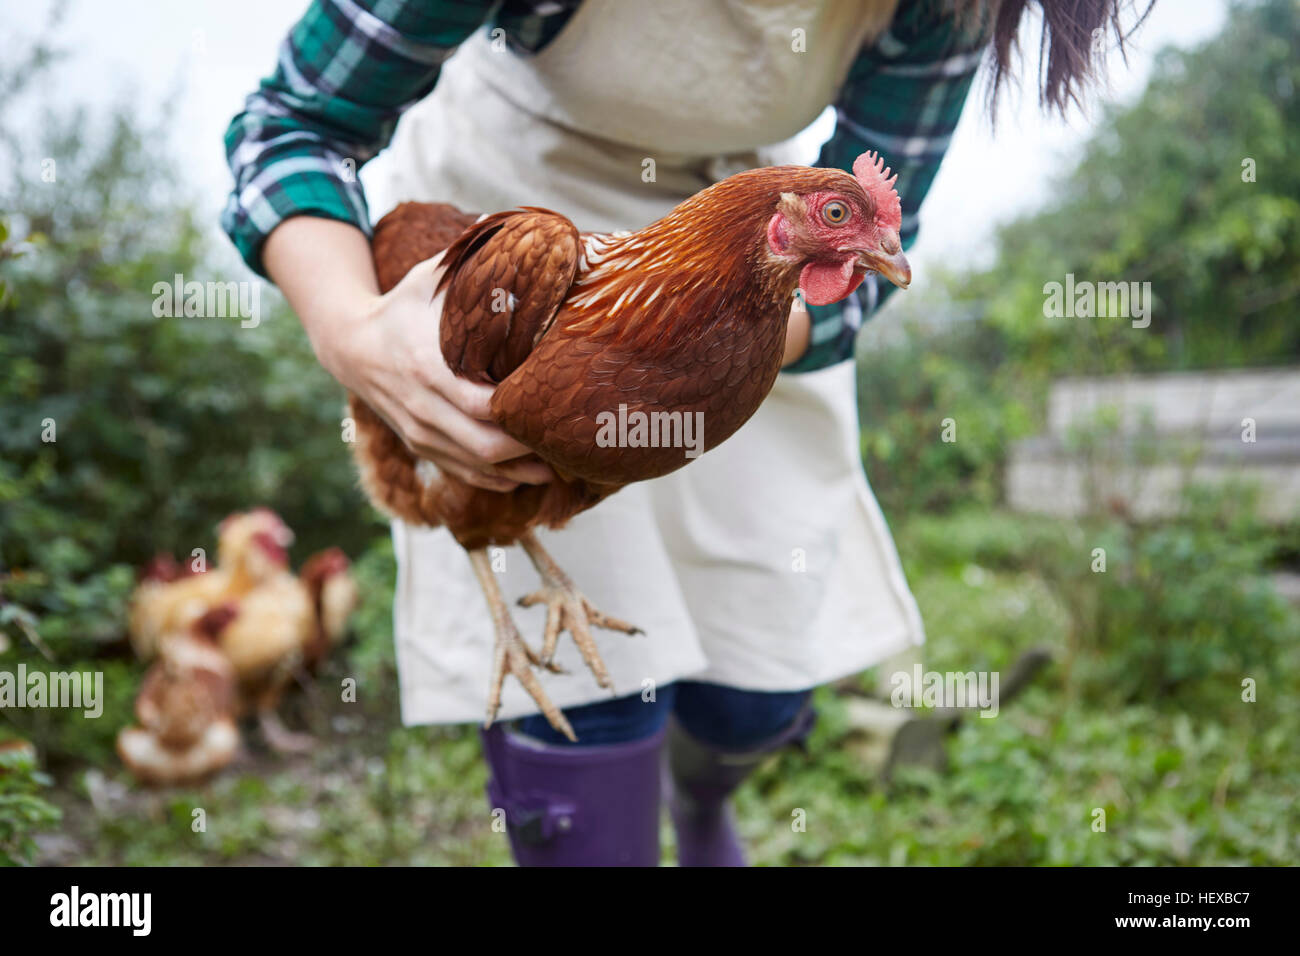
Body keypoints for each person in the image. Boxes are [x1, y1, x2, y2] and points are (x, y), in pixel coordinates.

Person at [223, 0, 1137, 866]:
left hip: (731, 263)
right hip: (516, 225)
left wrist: (696, 346)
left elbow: (874, 250)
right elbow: (292, 126)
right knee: (585, 685)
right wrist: (354, 334)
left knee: (757, 688)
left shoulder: (954, 5)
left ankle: (700, 798)